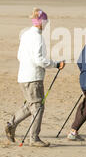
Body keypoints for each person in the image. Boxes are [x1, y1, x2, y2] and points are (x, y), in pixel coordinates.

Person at [5, 8, 65, 147]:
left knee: (31, 105)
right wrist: (55, 64)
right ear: (41, 22)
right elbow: (40, 60)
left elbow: (20, 56)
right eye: (46, 21)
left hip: (23, 76)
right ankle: (34, 138)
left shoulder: (26, 34)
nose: (47, 24)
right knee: (38, 107)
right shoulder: (37, 37)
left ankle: (11, 124)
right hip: (33, 78)